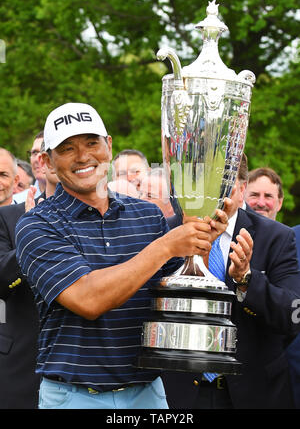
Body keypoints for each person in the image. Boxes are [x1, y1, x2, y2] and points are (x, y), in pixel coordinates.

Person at [15, 102, 229, 410]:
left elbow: (180, 293)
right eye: (67, 148)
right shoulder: (37, 224)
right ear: (48, 161)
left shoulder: (147, 215)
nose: (83, 156)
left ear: (109, 146)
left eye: (92, 143)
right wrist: (166, 245)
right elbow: (88, 299)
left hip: (148, 393)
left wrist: (201, 240)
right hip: (75, 397)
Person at [163, 154, 300, 409]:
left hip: (254, 392)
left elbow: (292, 315)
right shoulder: (166, 232)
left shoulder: (277, 238)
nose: (213, 192)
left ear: (241, 187)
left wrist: (247, 281)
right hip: (179, 393)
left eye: (223, 183)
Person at [0, 144, 59, 409]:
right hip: (23, 366)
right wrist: (30, 236)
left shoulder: (100, 216)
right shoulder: (8, 217)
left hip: (87, 367)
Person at [13, 131, 46, 203]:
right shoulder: (15, 202)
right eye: (34, 152)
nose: (38, 158)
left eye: (44, 151)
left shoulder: (75, 199)